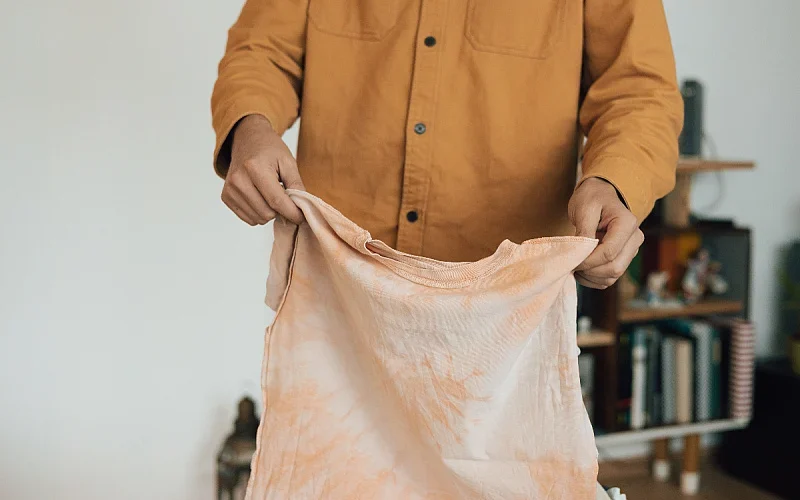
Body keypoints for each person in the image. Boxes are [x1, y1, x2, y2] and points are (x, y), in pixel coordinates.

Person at [210, 0, 682, 290]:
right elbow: (261, 51)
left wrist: (613, 183)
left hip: (509, 299)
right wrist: (250, 127)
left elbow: (637, 93)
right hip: (336, 281)